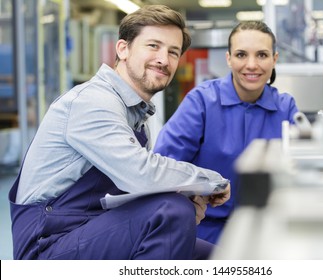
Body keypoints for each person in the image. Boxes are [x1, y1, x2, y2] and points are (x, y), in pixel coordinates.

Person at [8, 5, 230, 260]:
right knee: (170, 211)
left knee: (221, 260)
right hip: (47, 245)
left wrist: (189, 197)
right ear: (123, 49)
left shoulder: (136, 116)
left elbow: (128, 194)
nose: (163, 59)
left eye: (173, 52)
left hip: (91, 230)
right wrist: (212, 181)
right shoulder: (92, 101)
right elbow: (141, 174)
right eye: (153, 46)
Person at [154, 21, 299, 244]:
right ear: (229, 58)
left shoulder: (285, 107)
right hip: (204, 231)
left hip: (268, 231)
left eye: (262, 55)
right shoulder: (202, 101)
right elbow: (164, 164)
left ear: (274, 59)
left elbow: (301, 170)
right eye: (241, 55)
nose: (252, 65)